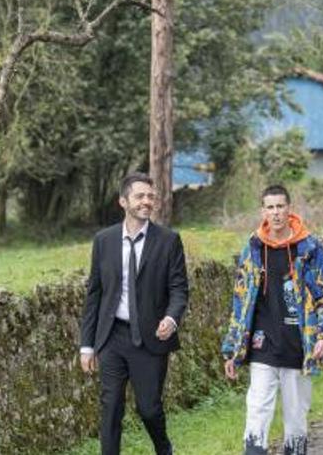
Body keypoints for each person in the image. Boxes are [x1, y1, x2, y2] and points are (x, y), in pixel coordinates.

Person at [221, 185, 323, 455]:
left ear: (289, 209)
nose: (275, 212)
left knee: (296, 419)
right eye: (270, 207)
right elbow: (240, 302)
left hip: (298, 345)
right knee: (257, 411)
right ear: (263, 211)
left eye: (280, 206)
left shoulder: (309, 248)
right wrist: (232, 350)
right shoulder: (253, 249)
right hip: (262, 345)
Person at [79, 173, 189, 455]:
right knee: (111, 406)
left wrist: (172, 318)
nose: (147, 201)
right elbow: (95, 294)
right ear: (123, 201)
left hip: (151, 338)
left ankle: (164, 449)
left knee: (149, 409)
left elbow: (179, 289)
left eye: (150, 196)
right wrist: (87, 345)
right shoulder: (103, 241)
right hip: (112, 336)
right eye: (140, 196)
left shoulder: (169, 241)